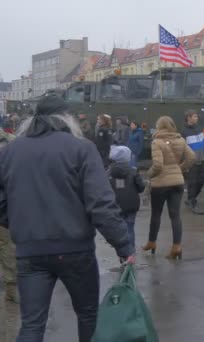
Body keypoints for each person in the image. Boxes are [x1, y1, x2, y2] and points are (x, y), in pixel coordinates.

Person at [0, 95, 135, 342]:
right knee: (88, 316)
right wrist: (124, 246)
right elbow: (101, 205)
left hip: (30, 252)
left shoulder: (10, 152)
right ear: (65, 119)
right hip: (76, 251)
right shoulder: (81, 149)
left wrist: (18, 223)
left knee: (31, 325)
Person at [143, 116, 195, 260]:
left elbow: (158, 166)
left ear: (159, 127)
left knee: (156, 214)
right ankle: (176, 246)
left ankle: (152, 242)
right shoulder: (180, 140)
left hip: (160, 184)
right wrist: (180, 168)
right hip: (177, 182)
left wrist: (149, 173)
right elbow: (192, 157)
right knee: (175, 215)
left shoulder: (157, 142)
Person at [108, 146, 146, 249]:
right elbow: (141, 187)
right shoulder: (133, 171)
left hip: (115, 204)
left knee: (120, 229)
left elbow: (105, 189)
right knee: (130, 228)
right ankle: (131, 253)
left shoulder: (109, 172)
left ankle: (122, 253)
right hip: (131, 205)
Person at [182, 110, 204, 215]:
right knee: (192, 183)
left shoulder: (199, 129)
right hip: (192, 162)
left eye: (196, 116)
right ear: (188, 118)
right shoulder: (184, 132)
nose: (196, 118)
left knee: (202, 181)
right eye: (194, 116)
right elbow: (183, 149)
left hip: (202, 160)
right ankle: (192, 202)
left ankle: (191, 198)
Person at [0, 128, 17, 303]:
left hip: (5, 207)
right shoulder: (14, 142)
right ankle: (11, 287)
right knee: (7, 247)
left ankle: (11, 288)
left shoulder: (13, 143)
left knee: (8, 247)